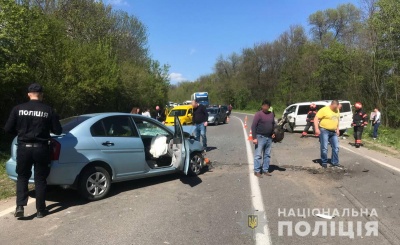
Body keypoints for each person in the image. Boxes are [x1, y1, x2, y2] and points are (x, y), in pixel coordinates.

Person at [4, 83, 62, 218]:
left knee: (22, 177)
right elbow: (58, 130)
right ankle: (41, 210)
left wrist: (21, 133)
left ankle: (20, 207)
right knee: (40, 179)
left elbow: (7, 129)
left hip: (24, 148)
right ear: (41, 95)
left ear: (29, 94)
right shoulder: (48, 110)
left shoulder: (18, 109)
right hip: (41, 149)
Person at [251, 99, 276, 177]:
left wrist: (274, 133)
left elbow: (273, 125)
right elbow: (253, 126)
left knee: (267, 155)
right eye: (264, 106)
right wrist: (254, 138)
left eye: (267, 106)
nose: (265, 107)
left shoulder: (271, 114)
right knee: (258, 155)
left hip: (269, 138)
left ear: (269, 107)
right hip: (260, 137)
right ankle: (257, 170)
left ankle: (265, 170)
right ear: (262, 106)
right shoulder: (258, 114)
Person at [314, 100, 341, 168]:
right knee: (324, 147)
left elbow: (337, 120)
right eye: (334, 107)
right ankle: (324, 162)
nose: (335, 109)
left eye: (336, 107)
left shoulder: (337, 110)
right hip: (324, 130)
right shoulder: (324, 110)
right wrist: (317, 129)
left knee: (336, 147)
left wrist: (337, 129)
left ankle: (334, 162)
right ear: (332, 105)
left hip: (333, 131)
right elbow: (316, 119)